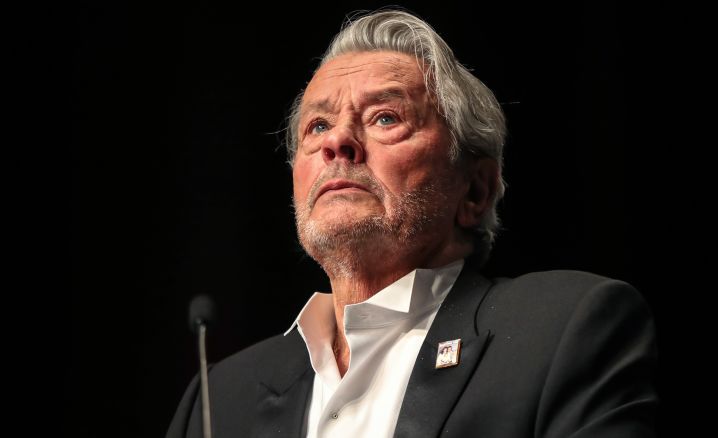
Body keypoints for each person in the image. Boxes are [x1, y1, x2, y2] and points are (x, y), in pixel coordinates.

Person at [167, 9, 658, 438]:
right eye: (317, 126)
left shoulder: (559, 331)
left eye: (385, 117)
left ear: (475, 190)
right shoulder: (220, 398)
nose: (338, 142)